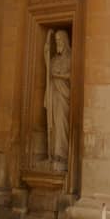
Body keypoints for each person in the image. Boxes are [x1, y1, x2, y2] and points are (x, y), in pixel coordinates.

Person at [44, 28, 72, 166]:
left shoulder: (70, 58)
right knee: (54, 123)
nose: (58, 43)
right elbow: (47, 64)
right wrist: (47, 41)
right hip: (54, 94)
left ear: (65, 41)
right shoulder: (54, 59)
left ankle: (62, 155)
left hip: (64, 96)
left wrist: (58, 76)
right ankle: (55, 154)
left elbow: (71, 76)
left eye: (60, 40)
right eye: (56, 41)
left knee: (62, 123)